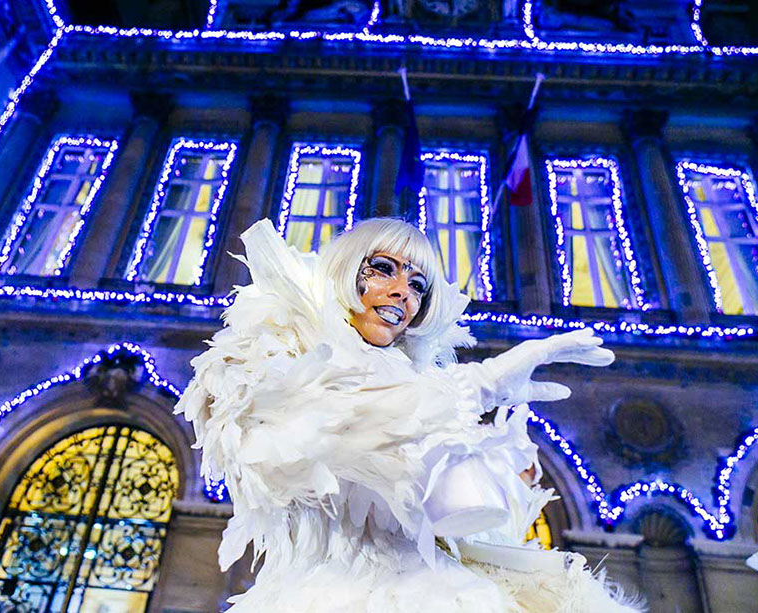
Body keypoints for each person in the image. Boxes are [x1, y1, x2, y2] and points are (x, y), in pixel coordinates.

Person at [176, 217, 644, 612]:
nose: (403, 292)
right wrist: (481, 384)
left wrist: (504, 471)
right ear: (343, 272)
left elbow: (445, 520)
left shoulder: (413, 381)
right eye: (383, 270)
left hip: (432, 584)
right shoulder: (276, 353)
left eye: (417, 285)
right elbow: (331, 428)